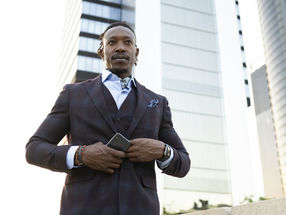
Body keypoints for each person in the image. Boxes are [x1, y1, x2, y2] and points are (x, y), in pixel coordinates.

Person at [25, 21, 190, 215]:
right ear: (101, 52)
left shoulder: (157, 102)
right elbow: (34, 149)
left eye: (128, 42)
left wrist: (161, 150)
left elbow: (183, 163)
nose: (120, 47)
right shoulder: (73, 94)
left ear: (136, 53)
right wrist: (81, 154)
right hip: (83, 208)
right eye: (112, 42)